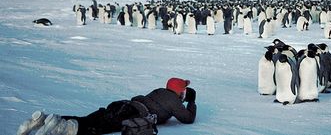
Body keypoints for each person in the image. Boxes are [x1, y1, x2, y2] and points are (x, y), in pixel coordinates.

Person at [17, 77, 197, 135]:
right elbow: (187, 119)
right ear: (179, 91)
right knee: (97, 128)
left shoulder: (159, 91)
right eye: (184, 90)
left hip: (124, 104)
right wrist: (191, 101)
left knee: (91, 118)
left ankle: (44, 120)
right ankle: (64, 128)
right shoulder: (174, 101)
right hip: (131, 113)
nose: (184, 92)